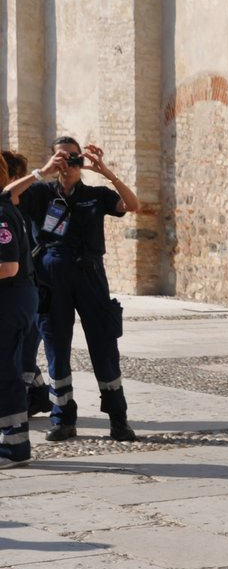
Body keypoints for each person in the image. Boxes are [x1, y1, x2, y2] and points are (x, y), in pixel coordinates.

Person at [3, 136, 143, 442]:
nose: (68, 163)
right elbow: (6, 196)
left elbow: (132, 205)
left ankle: (118, 418)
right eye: (61, 157)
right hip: (51, 277)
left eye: (73, 157)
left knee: (104, 345)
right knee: (56, 347)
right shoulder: (40, 192)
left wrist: (107, 172)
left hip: (90, 274)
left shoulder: (96, 194)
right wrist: (42, 171)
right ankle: (63, 417)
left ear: (82, 160)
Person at [0, 150, 47, 417]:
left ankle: (14, 439)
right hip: (19, 294)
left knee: (14, 366)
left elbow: (8, 267)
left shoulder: (6, 212)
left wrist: (42, 172)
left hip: (19, 295)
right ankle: (39, 396)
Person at [0, 174, 37, 466]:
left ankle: (16, 446)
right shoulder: (5, 201)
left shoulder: (0, 213)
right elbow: (12, 189)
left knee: (5, 371)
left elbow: (8, 267)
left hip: (10, 299)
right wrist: (40, 173)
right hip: (17, 298)